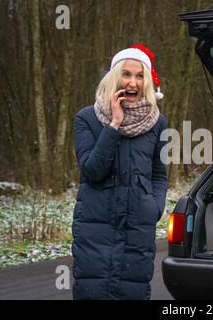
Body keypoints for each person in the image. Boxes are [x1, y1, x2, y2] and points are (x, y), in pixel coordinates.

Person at [71, 44, 168, 300]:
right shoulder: (87, 119)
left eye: (139, 76)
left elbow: (159, 174)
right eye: (126, 74)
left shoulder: (158, 123)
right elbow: (92, 171)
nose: (133, 82)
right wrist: (114, 124)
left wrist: (154, 207)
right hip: (95, 229)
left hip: (138, 229)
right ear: (115, 77)